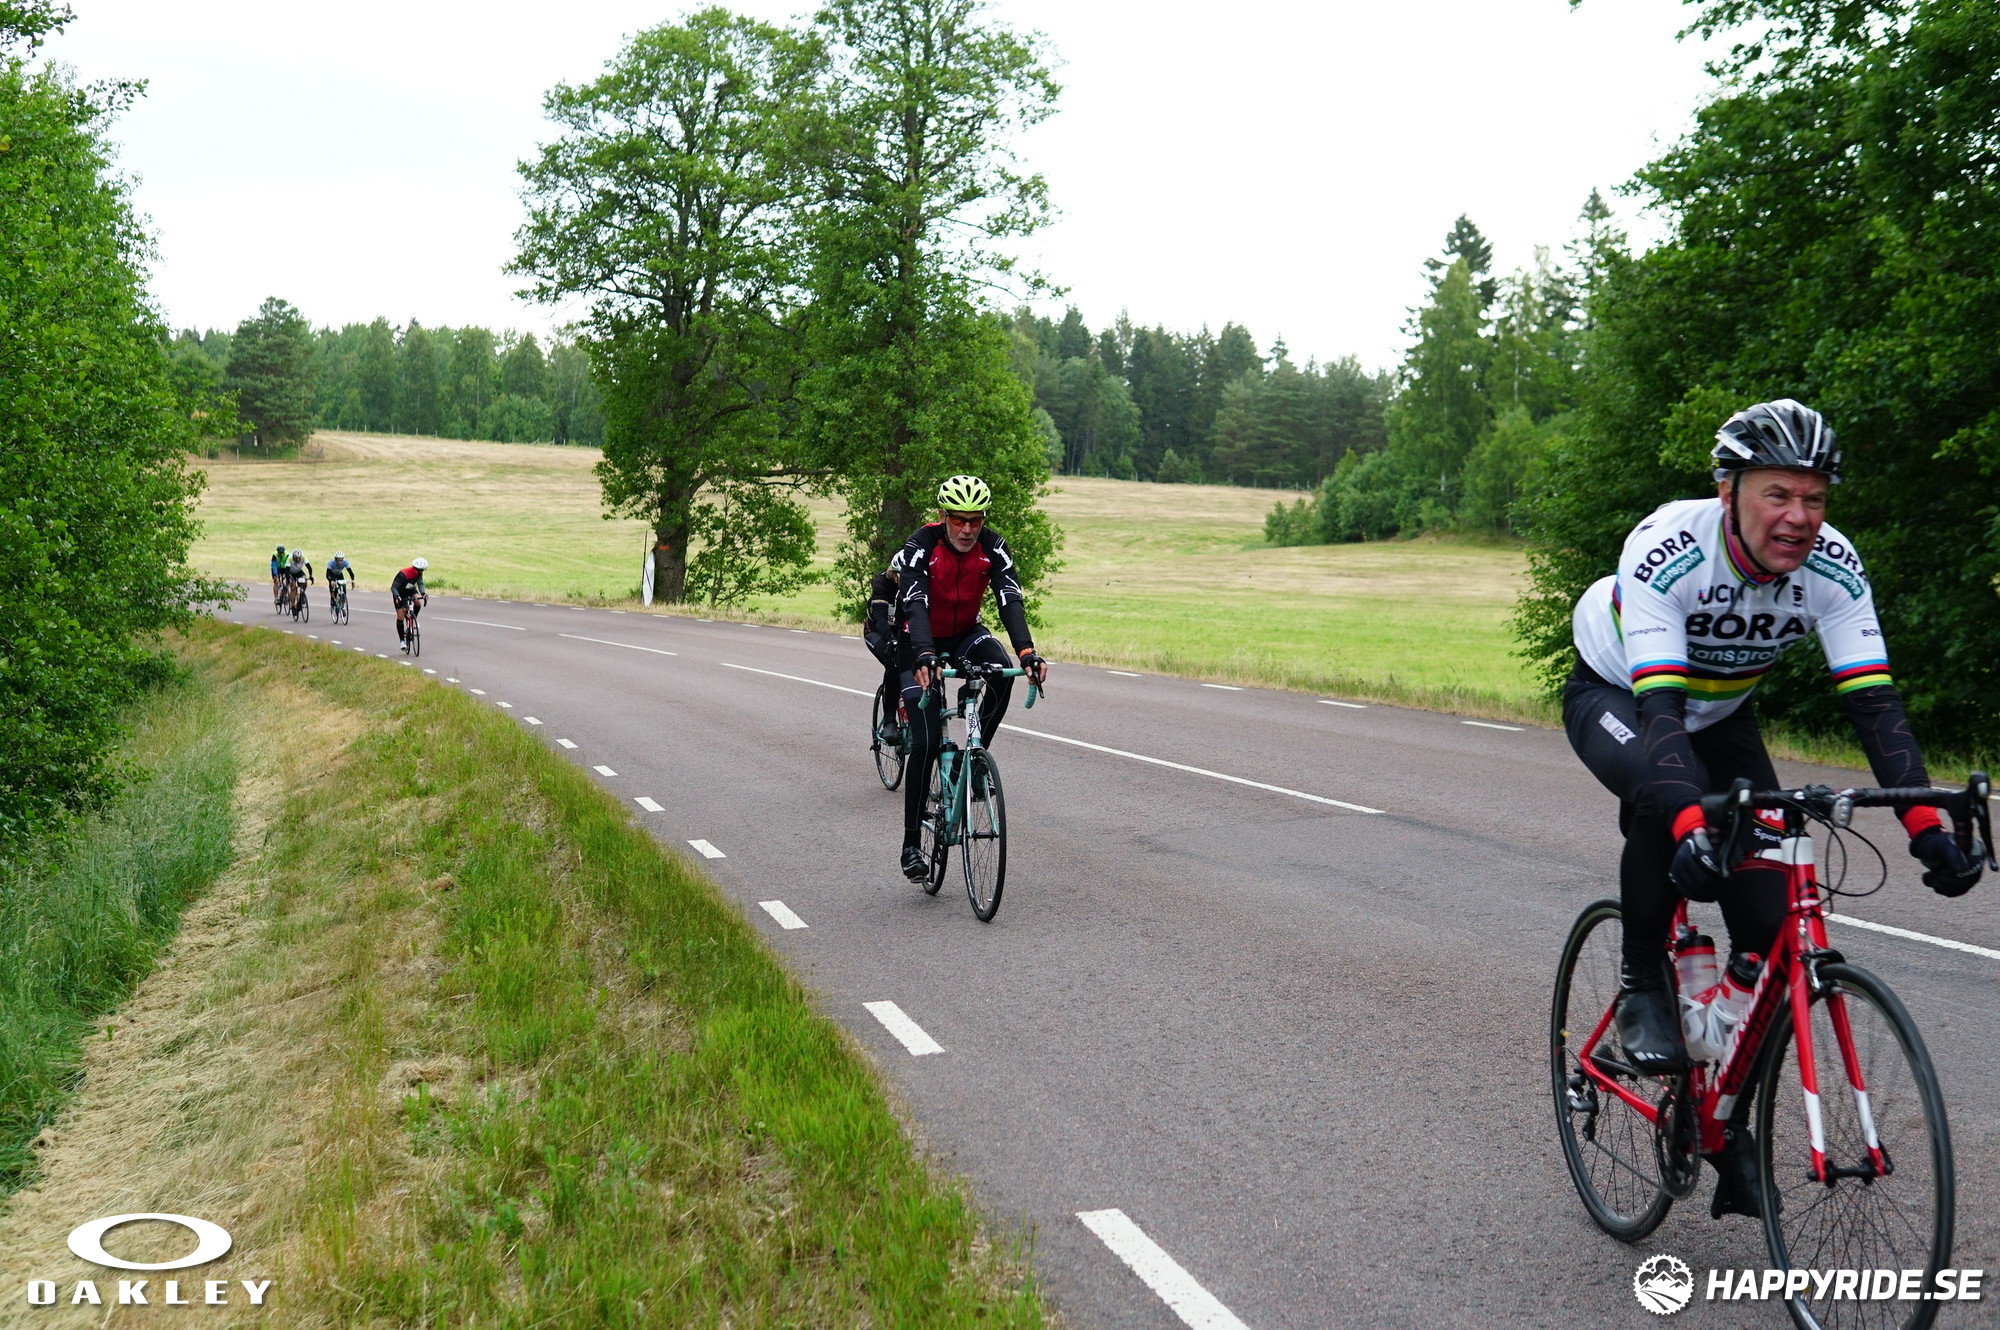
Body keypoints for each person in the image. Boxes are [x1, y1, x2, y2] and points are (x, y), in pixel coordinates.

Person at [1564, 398, 1981, 1218]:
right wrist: (1691, 827)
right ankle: (1644, 975)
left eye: (1814, 498)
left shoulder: (1834, 567)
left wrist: (1925, 827)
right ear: (1729, 491)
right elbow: (1661, 714)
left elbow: (1875, 706)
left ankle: (1724, 1129)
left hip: (1723, 710)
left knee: (1767, 930)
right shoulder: (1669, 548)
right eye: (1778, 494)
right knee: (1663, 796)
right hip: (1622, 691)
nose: (1799, 516)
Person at [891, 475, 1048, 881]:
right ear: (943, 516)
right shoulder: (920, 545)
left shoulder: (993, 547)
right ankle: (911, 845)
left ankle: (971, 762)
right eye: (959, 520)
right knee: (926, 742)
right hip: (917, 639)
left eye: (975, 520)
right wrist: (924, 653)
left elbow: (1009, 599)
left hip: (964, 633)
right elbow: (915, 602)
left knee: (1001, 670)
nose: (967, 529)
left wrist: (1027, 652)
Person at [863, 567, 903, 743]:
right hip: (878, 632)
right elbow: (880, 619)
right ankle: (889, 720)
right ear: (894, 574)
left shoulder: (917, 582)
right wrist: (891, 640)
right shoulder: (882, 583)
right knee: (893, 662)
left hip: (902, 633)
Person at [391, 558, 429, 642]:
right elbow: (393, 587)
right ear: (416, 568)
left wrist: (423, 593)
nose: (422, 572)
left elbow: (420, 583)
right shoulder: (403, 574)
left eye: (423, 570)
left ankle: (414, 620)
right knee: (400, 616)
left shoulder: (419, 573)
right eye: (421, 570)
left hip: (409, 588)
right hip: (399, 593)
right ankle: (402, 641)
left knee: (418, 602)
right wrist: (397, 596)